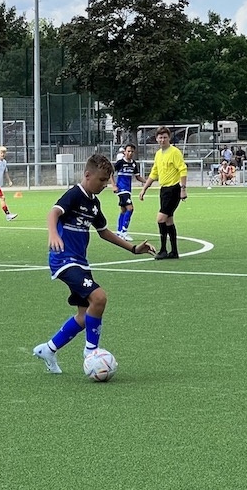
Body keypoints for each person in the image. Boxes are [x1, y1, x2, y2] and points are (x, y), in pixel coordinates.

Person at [33, 153, 156, 374]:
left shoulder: (94, 204)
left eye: (107, 180)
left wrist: (133, 249)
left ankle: (48, 349)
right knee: (99, 297)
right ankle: (91, 352)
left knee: (84, 315)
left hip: (80, 262)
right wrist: (53, 233)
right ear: (87, 175)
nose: (104, 184)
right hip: (63, 260)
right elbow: (53, 213)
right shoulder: (74, 194)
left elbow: (104, 232)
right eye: (101, 180)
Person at [139, 126, 188, 260]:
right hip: (164, 190)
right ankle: (174, 251)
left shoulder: (175, 152)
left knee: (160, 219)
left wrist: (183, 189)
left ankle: (163, 250)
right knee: (168, 220)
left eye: (165, 137)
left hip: (173, 189)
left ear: (169, 138)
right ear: (156, 139)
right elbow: (154, 173)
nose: (162, 140)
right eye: (160, 137)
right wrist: (144, 189)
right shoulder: (158, 154)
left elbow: (182, 169)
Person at [111, 143, 145, 241]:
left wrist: (147, 182)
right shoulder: (120, 162)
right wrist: (113, 185)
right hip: (121, 189)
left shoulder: (133, 163)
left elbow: (137, 177)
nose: (130, 153)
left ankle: (119, 232)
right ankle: (124, 231)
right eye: (128, 151)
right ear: (124, 152)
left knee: (123, 210)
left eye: (132, 151)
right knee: (130, 208)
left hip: (128, 190)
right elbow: (110, 173)